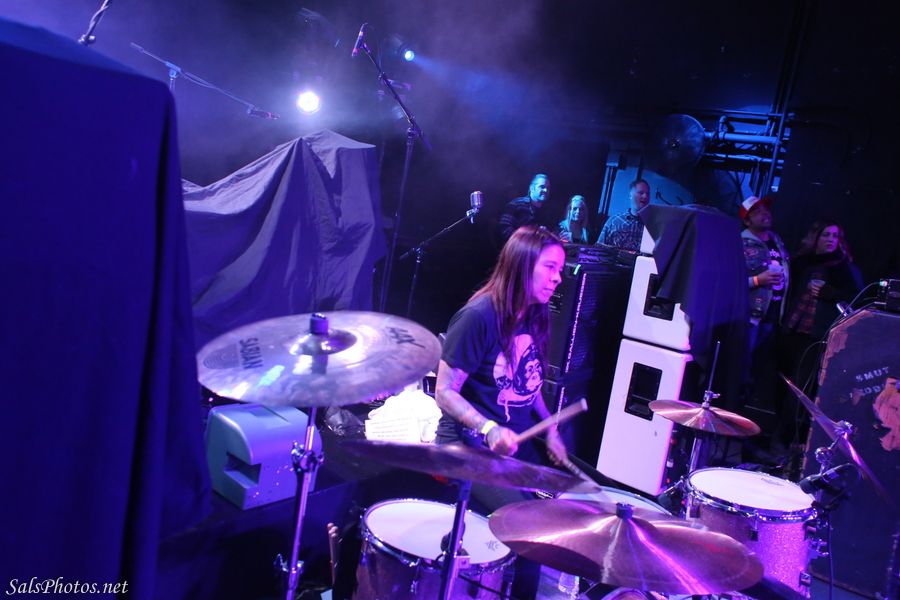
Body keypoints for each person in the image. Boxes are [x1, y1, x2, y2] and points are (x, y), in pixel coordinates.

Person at [435, 224, 568, 596]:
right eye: (550, 267)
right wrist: (489, 428)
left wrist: (551, 430)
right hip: (467, 447)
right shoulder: (478, 316)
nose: (558, 278)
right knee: (531, 533)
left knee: (572, 508)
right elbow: (444, 392)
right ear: (523, 266)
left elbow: (530, 384)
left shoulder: (535, 314)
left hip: (512, 446)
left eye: (560, 270)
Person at [778, 218, 863, 446]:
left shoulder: (844, 267)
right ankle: (775, 438)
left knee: (801, 389)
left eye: (835, 236)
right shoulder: (801, 263)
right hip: (791, 332)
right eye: (826, 235)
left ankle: (787, 441)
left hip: (817, 337)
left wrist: (830, 292)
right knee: (782, 385)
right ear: (815, 237)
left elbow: (857, 301)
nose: (830, 240)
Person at [740, 195, 789, 450]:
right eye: (758, 211)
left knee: (757, 376)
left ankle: (747, 432)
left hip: (771, 317)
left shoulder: (776, 241)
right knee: (741, 373)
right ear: (747, 218)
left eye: (766, 210)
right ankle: (733, 430)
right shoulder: (741, 242)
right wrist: (758, 280)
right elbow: (731, 279)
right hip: (749, 318)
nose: (765, 214)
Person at [595, 178, 650, 250]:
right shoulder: (615, 221)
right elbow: (599, 248)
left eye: (647, 194)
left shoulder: (652, 226)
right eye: (641, 192)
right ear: (630, 195)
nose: (645, 196)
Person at [495, 173, 550, 244]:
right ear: (532, 188)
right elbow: (504, 229)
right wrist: (526, 240)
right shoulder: (516, 204)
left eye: (548, 188)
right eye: (542, 187)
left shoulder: (546, 211)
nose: (545, 190)